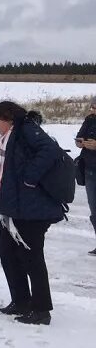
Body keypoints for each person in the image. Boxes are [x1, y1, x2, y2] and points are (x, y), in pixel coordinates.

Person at [0, 101, 64, 325]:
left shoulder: (26, 129)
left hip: (31, 209)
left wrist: (30, 177)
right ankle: (21, 301)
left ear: (9, 118)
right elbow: (4, 163)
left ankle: (41, 310)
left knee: (32, 258)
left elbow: (50, 150)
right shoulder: (5, 137)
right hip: (11, 208)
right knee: (8, 254)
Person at [76, 97, 96, 256]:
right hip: (90, 169)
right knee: (94, 208)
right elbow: (79, 137)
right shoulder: (89, 120)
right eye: (92, 107)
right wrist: (81, 142)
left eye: (95, 108)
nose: (92, 110)